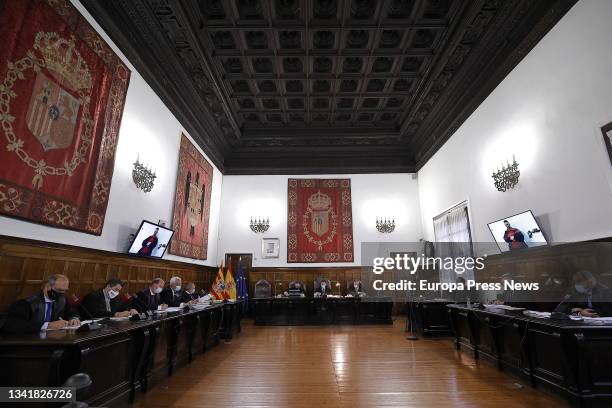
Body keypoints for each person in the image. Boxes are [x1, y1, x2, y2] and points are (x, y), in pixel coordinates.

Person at [2, 274, 80, 333]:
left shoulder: (62, 300)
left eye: (64, 291)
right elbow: (12, 324)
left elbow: (72, 312)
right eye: (59, 290)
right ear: (48, 286)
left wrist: (74, 318)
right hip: (29, 342)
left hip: (53, 339)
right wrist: (48, 325)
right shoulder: (28, 303)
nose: (61, 294)